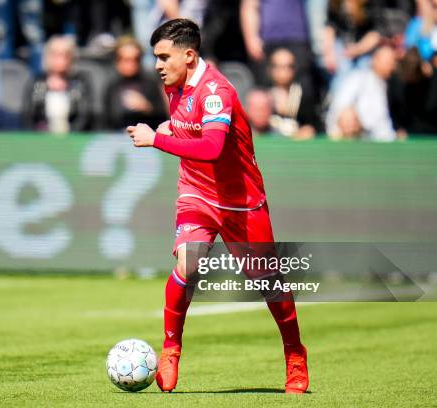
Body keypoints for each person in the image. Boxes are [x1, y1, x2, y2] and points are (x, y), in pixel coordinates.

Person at [126, 18, 308, 394]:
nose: (157, 65)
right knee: (187, 263)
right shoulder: (174, 85)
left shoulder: (216, 92)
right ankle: (171, 349)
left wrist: (155, 140)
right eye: (155, 57)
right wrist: (169, 128)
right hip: (195, 192)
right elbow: (188, 126)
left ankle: (294, 353)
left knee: (267, 281)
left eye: (164, 57)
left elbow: (211, 148)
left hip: (241, 201)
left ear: (189, 56)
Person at [22, 35, 93, 133]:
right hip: (42, 139)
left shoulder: (79, 83)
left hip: (72, 138)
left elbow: (84, 116)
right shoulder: (38, 83)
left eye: (65, 55)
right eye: (55, 55)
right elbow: (29, 115)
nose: (60, 59)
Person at [326, 45, 398, 141]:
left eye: (393, 62)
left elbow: (384, 127)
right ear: (375, 60)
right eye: (389, 62)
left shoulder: (388, 85)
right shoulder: (358, 78)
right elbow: (338, 109)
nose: (392, 66)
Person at [104, 36, 167, 130]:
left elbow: (163, 118)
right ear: (117, 60)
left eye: (135, 59)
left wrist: (147, 108)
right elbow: (103, 120)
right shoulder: (111, 85)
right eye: (126, 60)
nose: (131, 64)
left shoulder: (150, 83)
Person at [268, 48, 318, 139]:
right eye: (280, 66)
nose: (285, 71)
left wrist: (307, 130)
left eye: (289, 66)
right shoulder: (264, 95)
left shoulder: (304, 95)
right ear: (271, 69)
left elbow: (311, 125)